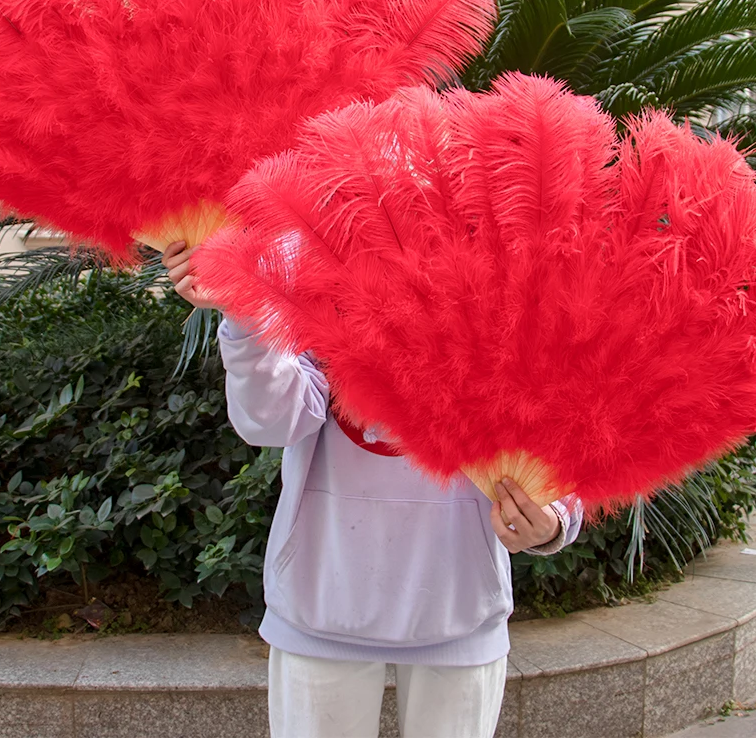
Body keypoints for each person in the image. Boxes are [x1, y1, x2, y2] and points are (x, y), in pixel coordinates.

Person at [163, 240, 583, 738]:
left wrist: (553, 517)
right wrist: (247, 313)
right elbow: (273, 421)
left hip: (461, 606)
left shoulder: (503, 261)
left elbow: (561, 420)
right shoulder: (308, 249)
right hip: (321, 602)